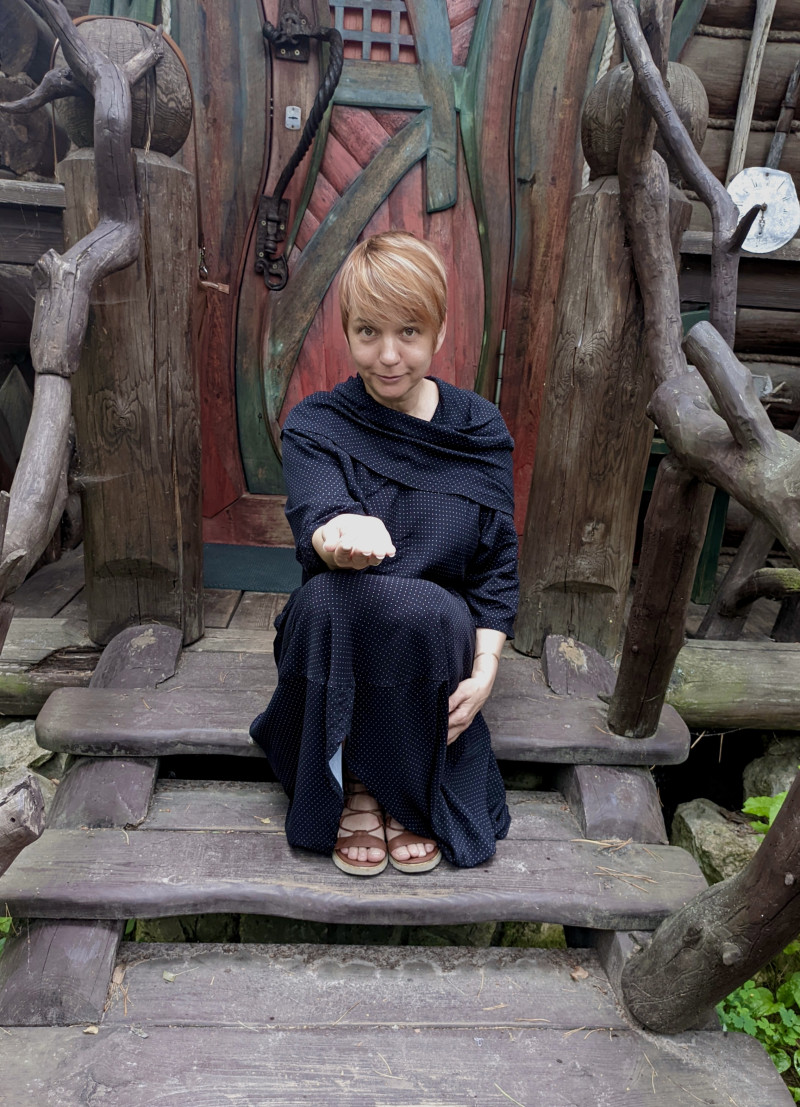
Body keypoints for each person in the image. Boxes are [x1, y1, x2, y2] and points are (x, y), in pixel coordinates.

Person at [249, 231, 519, 876]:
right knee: (326, 599)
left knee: (426, 610)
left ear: (440, 331)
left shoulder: (479, 429)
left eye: (409, 332)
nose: (389, 356)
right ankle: (363, 784)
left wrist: (485, 670)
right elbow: (317, 515)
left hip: (431, 640)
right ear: (346, 331)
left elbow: (495, 570)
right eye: (368, 332)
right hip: (336, 626)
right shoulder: (317, 423)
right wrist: (338, 536)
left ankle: (391, 786)